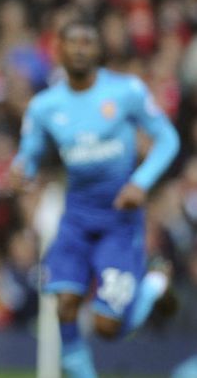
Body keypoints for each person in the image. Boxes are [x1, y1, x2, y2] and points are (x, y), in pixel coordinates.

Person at [10, 19, 179, 378]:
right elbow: (29, 153)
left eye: (87, 41)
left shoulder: (126, 91)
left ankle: (152, 286)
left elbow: (168, 139)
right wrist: (20, 170)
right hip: (76, 219)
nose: (80, 49)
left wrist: (140, 182)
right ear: (58, 50)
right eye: (72, 42)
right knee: (65, 304)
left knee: (107, 327)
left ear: (99, 50)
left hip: (119, 220)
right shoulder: (44, 106)